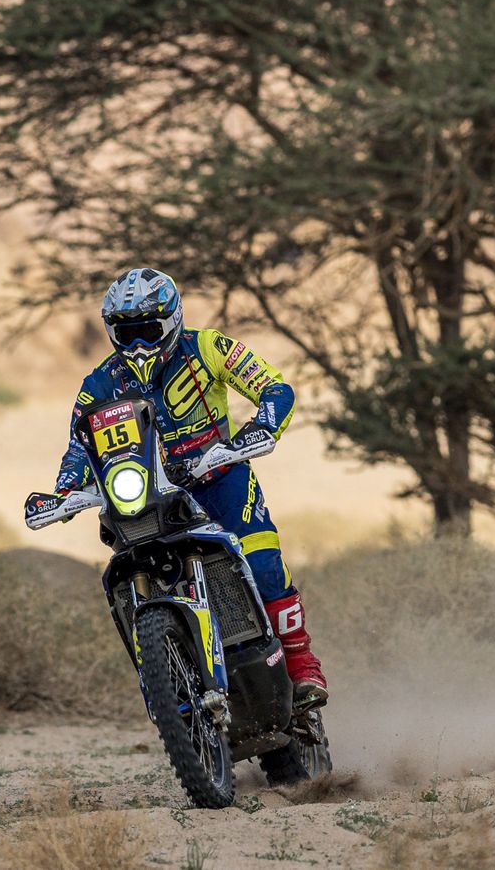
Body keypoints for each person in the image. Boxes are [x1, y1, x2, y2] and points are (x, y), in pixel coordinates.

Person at [42, 267, 327, 706]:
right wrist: (64, 489)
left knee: (262, 562)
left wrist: (260, 429)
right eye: (127, 333)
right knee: (131, 569)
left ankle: (302, 666)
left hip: (221, 478)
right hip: (148, 497)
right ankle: (172, 685)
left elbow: (274, 387)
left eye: (148, 330)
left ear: (172, 320)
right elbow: (79, 446)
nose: (138, 344)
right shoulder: (99, 383)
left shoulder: (208, 347)